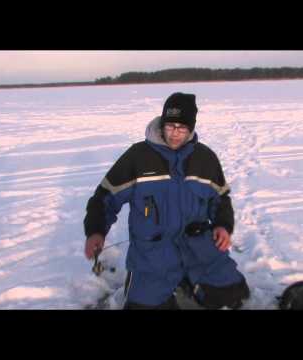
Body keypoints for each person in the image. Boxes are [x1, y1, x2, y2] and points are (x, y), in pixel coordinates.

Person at [84, 92, 250, 309]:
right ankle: (151, 286)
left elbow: (220, 198)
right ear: (162, 124)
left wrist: (222, 225)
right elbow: (104, 197)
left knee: (235, 296)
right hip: (153, 255)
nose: (175, 134)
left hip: (198, 247)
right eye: (170, 126)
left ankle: (190, 282)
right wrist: (96, 231)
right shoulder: (138, 157)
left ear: (191, 129)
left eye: (182, 128)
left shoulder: (205, 158)